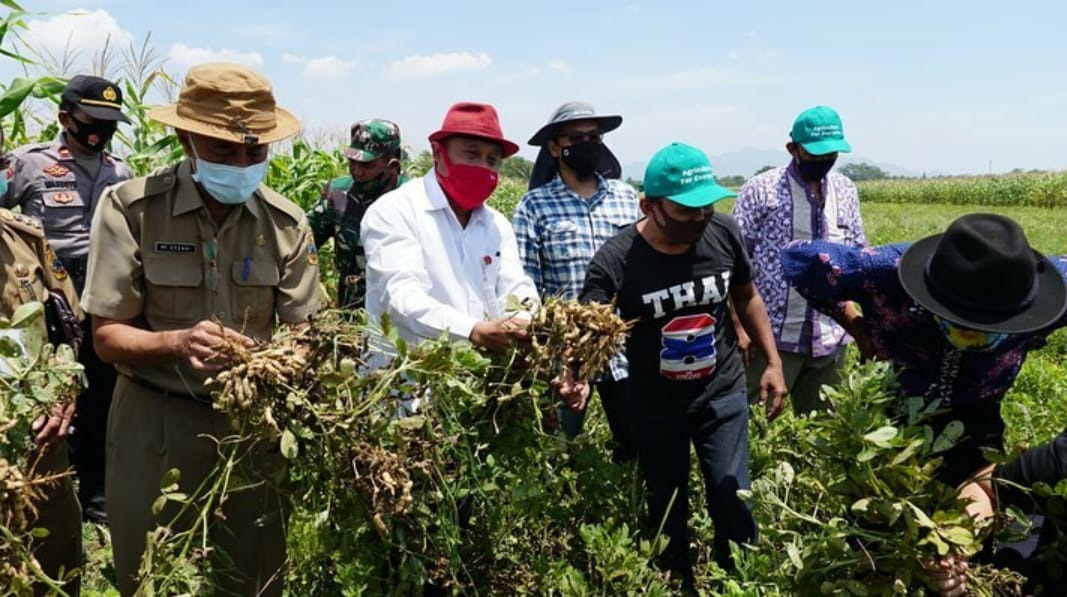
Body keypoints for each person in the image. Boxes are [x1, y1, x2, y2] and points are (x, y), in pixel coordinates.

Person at [80, 63, 320, 596]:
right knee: (149, 577)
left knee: (254, 577)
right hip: (155, 422)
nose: (241, 164)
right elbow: (107, 335)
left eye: (254, 153)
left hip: (251, 429)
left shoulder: (284, 225)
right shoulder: (132, 210)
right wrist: (178, 342)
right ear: (185, 138)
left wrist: (274, 362)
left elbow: (308, 334)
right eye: (223, 152)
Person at [573, 142, 787, 586]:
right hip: (654, 404)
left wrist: (772, 362)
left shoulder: (723, 233)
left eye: (706, 206)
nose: (699, 218)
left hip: (721, 392)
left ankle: (740, 582)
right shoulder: (617, 259)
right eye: (686, 210)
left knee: (732, 494)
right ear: (648, 205)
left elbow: (746, 295)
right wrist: (577, 375)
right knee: (667, 506)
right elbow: (586, 326)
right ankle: (678, 579)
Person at [781, 213, 1067, 488]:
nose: (971, 333)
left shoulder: (1053, 293)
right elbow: (799, 258)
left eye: (990, 325)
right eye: (958, 320)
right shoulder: (883, 271)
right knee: (879, 502)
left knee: (975, 503)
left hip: (977, 406)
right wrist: (858, 329)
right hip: (894, 404)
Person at [4, 74, 133, 522]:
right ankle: (39, 488)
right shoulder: (27, 164)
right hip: (47, 294)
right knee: (48, 391)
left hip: (103, 290)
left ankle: (95, 493)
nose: (101, 130)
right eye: (92, 120)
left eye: (110, 122)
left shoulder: (121, 171)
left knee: (100, 390)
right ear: (65, 118)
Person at [512, 101, 640, 453]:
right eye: (575, 137)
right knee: (556, 451)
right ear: (554, 146)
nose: (586, 143)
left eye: (593, 136)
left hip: (625, 351)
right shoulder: (534, 206)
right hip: (564, 355)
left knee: (637, 448)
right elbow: (525, 285)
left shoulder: (626, 198)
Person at [361, 102, 539, 353]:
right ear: (437, 152)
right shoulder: (395, 211)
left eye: (492, 160)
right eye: (471, 155)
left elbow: (516, 287)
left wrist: (524, 320)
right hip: (404, 379)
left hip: (476, 379)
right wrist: (471, 330)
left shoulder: (497, 225)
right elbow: (400, 297)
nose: (483, 167)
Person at [733, 105, 866, 415]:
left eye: (830, 155)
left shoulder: (845, 190)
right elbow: (734, 264)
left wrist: (863, 326)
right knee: (756, 428)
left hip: (831, 337)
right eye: (814, 154)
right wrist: (739, 328)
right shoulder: (761, 190)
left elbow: (859, 258)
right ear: (793, 148)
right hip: (770, 337)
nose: (823, 161)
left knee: (826, 432)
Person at [0, 124, 84, 594]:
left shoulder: (26, 239)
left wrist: (62, 396)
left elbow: (68, 327)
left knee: (54, 557)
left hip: (38, 436)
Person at [306, 119, 409, 308]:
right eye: (352, 163)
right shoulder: (337, 194)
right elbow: (304, 241)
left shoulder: (413, 200)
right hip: (349, 307)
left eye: (367, 166)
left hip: (398, 309)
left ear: (393, 166)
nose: (357, 172)